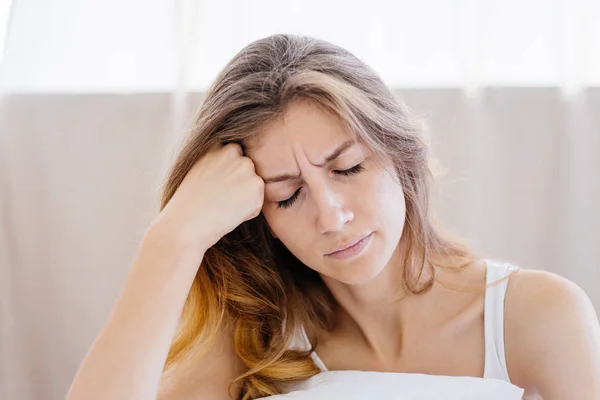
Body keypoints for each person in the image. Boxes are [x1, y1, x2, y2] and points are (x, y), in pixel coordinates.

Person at [66, 34, 600, 400]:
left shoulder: (535, 315)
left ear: (401, 152)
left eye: (347, 168)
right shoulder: (256, 344)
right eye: (288, 195)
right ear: (258, 219)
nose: (332, 215)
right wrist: (172, 239)